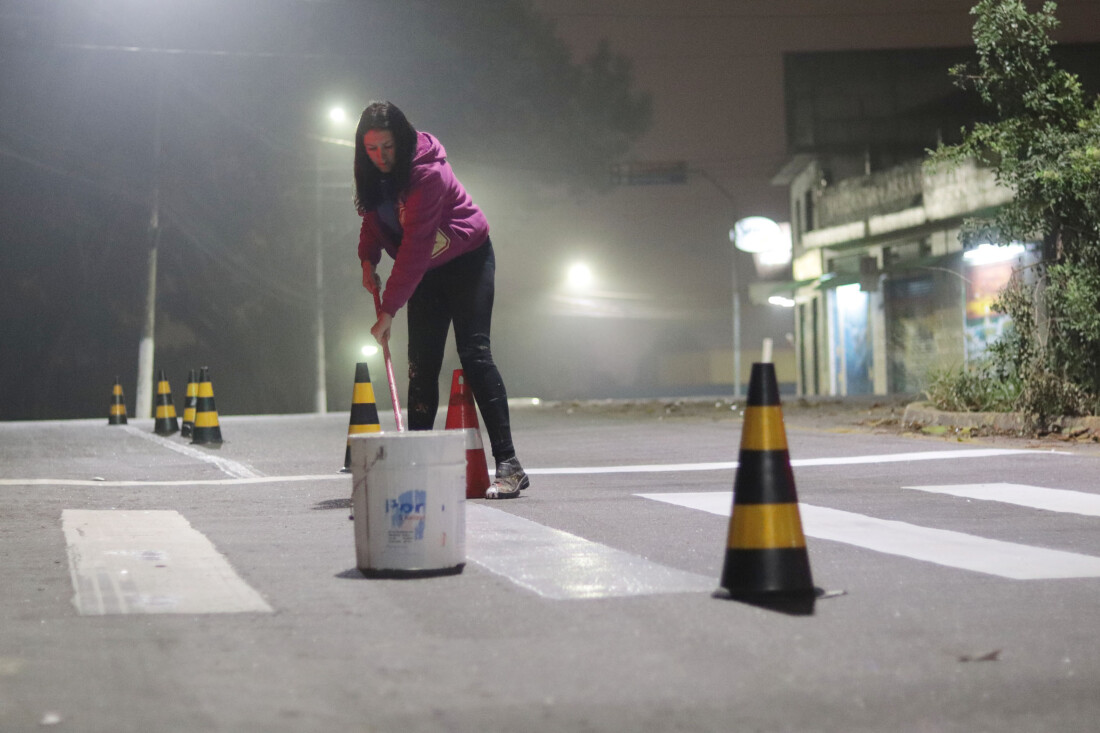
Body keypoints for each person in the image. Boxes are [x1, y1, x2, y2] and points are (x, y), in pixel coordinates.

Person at [352, 100, 529, 499]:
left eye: (388, 147)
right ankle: (415, 465)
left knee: (474, 353)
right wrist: (367, 259)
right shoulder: (375, 176)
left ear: (403, 140)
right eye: (372, 149)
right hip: (426, 270)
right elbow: (372, 219)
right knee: (421, 366)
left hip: (467, 258)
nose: (381, 157)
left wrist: (388, 311)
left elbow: (414, 248)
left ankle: (509, 465)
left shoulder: (427, 173)